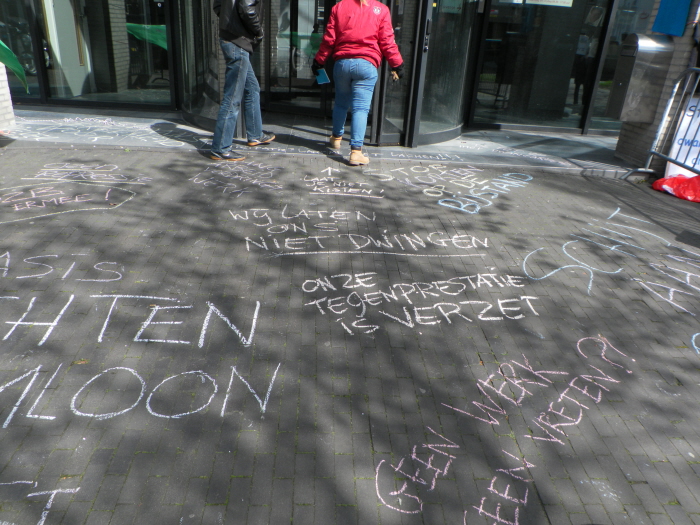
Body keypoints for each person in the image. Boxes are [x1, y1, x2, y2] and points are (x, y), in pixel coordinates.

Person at [312, 0, 403, 166]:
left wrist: (319, 61)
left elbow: (329, 39)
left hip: (342, 64)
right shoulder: (381, 10)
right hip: (366, 65)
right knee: (360, 108)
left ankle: (336, 139)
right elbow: (387, 41)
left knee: (340, 103)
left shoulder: (339, 7)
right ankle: (356, 152)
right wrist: (397, 64)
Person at [210, 0, 275, 161]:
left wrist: (231, 23)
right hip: (238, 43)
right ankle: (220, 148)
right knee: (232, 98)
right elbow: (247, 8)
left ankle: (255, 135)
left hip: (232, 40)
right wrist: (258, 31)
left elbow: (218, 6)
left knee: (252, 88)